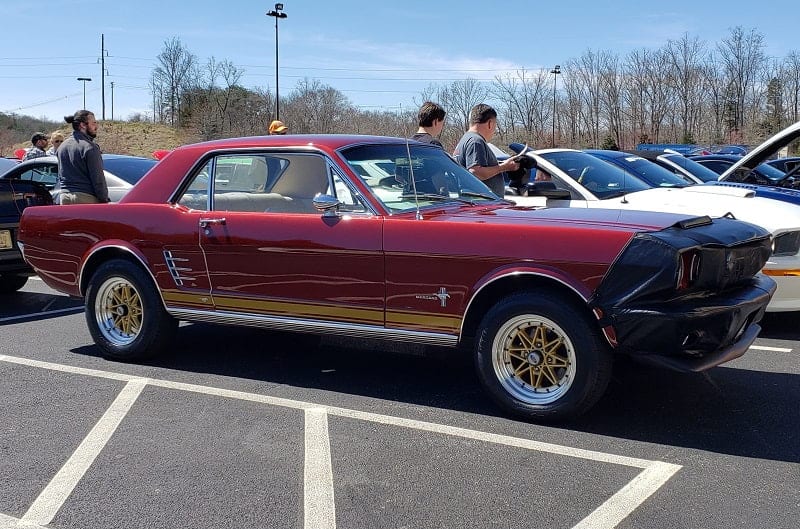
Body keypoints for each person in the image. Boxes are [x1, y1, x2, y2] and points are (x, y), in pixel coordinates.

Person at [453, 104, 519, 196]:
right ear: (490, 123)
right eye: (495, 125)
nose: (494, 130)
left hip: (474, 202)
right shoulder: (475, 141)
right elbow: (476, 172)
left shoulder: (465, 140)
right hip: (481, 204)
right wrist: (504, 167)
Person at [57, 110, 108, 204]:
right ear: (82, 125)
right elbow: (98, 179)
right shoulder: (90, 147)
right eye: (93, 123)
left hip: (64, 198)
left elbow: (60, 176)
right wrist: (104, 200)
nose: (96, 127)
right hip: (86, 198)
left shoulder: (62, 147)